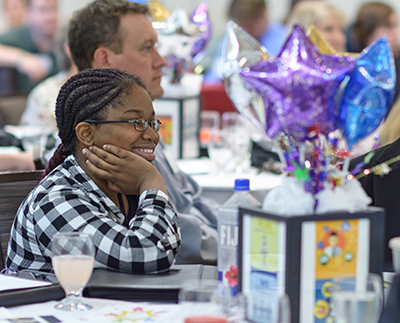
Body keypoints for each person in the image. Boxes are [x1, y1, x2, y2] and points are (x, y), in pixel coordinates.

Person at [68, 0, 218, 265]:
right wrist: (240, 247)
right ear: (105, 60)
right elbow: (158, 244)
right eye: (147, 48)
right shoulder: (103, 152)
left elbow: (193, 200)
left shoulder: (143, 133)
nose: (161, 61)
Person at [6, 68, 181, 273]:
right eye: (137, 123)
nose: (153, 135)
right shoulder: (55, 199)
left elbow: (168, 245)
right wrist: (150, 181)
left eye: (152, 123)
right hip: (54, 304)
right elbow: (149, 255)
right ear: (86, 133)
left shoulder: (125, 186)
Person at [204, 0, 287, 82]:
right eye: (240, 26)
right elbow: (212, 80)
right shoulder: (231, 38)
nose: (246, 31)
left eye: (250, 25)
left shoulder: (284, 39)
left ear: (264, 14)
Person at [347, 2, 400, 109]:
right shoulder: (350, 66)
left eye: (396, 26)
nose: (396, 33)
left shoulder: (396, 62)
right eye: (388, 26)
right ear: (368, 32)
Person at [0, 0, 59, 93]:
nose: (50, 16)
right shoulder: (18, 37)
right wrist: (21, 58)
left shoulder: (64, 40)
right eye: (42, 10)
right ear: (28, 13)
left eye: (54, 8)